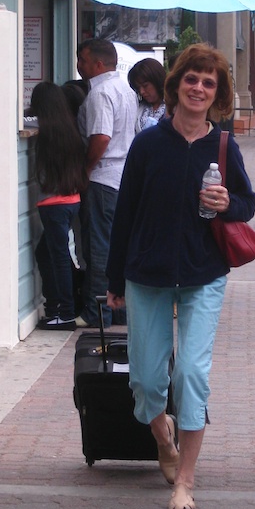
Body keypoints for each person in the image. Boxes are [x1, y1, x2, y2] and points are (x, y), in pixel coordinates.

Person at [107, 45, 255, 509]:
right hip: (146, 275)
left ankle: (185, 481)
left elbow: (248, 205)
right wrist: (113, 278)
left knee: (191, 374)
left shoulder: (224, 146)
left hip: (203, 273)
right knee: (147, 382)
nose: (198, 88)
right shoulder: (148, 144)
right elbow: (124, 213)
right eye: (191, 79)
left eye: (208, 83)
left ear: (218, 94)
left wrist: (225, 204)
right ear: (176, 86)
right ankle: (162, 439)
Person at [76, 38, 138, 328]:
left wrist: (85, 169)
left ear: (98, 64)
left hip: (102, 177)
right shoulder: (125, 89)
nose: (79, 66)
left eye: (83, 60)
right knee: (117, 248)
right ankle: (120, 310)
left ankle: (97, 312)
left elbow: (101, 137)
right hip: (122, 178)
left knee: (99, 249)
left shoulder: (100, 93)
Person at [29, 81, 88, 330]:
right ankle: (56, 307)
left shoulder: (42, 128)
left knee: (59, 256)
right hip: (71, 200)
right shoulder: (69, 128)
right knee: (47, 253)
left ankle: (63, 313)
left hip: (52, 203)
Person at [127, 56, 167, 132]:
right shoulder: (139, 108)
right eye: (138, 88)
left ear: (157, 81)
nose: (142, 91)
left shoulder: (175, 106)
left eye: (145, 86)